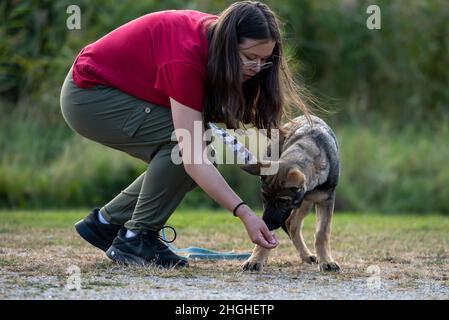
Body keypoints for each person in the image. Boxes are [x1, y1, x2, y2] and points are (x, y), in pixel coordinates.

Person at [59, 1, 310, 268]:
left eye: (265, 59)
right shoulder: (186, 57)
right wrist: (245, 213)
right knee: (186, 150)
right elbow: (192, 158)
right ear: (228, 45)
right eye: (249, 57)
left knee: (199, 152)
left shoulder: (218, 38)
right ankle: (136, 237)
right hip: (88, 96)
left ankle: (106, 223)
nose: (257, 68)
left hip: (112, 92)